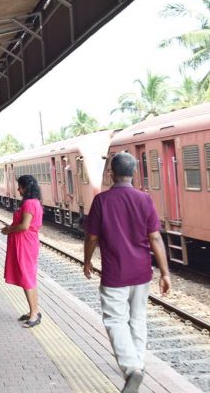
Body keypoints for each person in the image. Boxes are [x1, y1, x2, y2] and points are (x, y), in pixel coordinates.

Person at [83, 152, 171, 393]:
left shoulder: (102, 201)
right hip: (142, 272)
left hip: (115, 274)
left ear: (111, 173)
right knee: (138, 318)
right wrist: (165, 273)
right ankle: (138, 364)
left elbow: (92, 237)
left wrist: (87, 261)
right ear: (134, 173)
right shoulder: (145, 199)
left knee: (115, 320)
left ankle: (132, 369)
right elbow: (155, 237)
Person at [1, 175, 43, 328]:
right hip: (25, 242)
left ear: (26, 188)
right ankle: (34, 310)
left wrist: (9, 229)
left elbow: (25, 226)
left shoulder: (30, 203)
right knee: (28, 276)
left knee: (27, 277)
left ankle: (34, 314)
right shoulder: (32, 202)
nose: (18, 189)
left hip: (25, 243)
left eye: (20, 186)